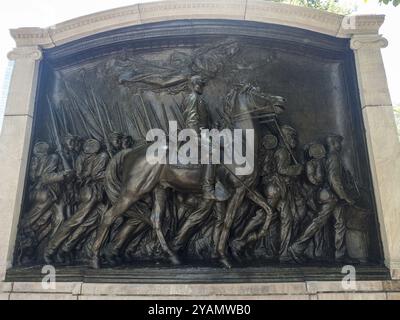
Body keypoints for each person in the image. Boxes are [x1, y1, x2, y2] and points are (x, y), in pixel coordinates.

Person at [289, 135, 356, 263]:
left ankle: (340, 254)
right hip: (331, 196)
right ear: (333, 143)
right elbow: (334, 179)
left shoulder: (328, 158)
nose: (340, 145)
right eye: (338, 143)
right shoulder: (334, 157)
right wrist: (344, 196)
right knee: (318, 222)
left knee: (339, 223)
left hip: (332, 196)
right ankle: (296, 247)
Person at [44, 139, 109, 263]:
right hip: (89, 193)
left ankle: (65, 249)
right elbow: (93, 174)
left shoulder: (86, 157)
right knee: (75, 221)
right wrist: (113, 172)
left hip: (98, 195)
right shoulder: (101, 156)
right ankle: (50, 250)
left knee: (90, 223)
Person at [18, 142, 73, 263]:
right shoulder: (38, 161)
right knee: (32, 221)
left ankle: (50, 250)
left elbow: (69, 173)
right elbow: (40, 177)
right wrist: (61, 175)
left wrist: (62, 160)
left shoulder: (55, 157)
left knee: (61, 218)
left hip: (57, 195)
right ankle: (30, 249)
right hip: (45, 194)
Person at [182, 75, 216, 200]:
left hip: (204, 133)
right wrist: (196, 137)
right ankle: (207, 187)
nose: (203, 87)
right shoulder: (193, 98)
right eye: (201, 85)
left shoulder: (200, 99)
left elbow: (205, 120)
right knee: (213, 152)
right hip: (195, 134)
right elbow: (192, 120)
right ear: (196, 84)